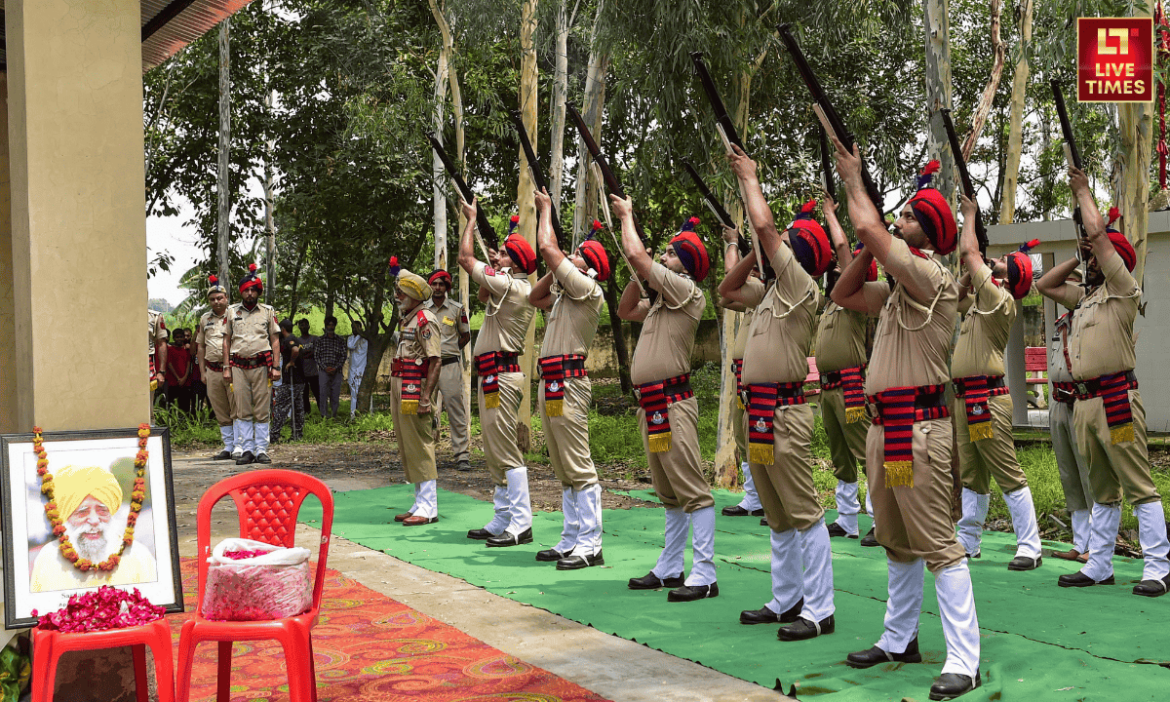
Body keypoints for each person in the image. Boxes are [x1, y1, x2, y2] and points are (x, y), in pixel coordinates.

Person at [831, 148, 980, 700]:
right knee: (895, 541)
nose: (899, 221)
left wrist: (854, 183)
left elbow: (868, 226)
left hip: (920, 430)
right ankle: (899, 639)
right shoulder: (898, 292)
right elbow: (842, 294)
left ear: (931, 232)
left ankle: (965, 659)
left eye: (911, 217)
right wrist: (871, 253)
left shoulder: (931, 279)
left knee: (939, 544)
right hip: (883, 428)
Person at [1035, 169, 1170, 596]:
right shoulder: (1087, 297)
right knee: (1102, 488)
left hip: (1115, 399)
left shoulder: (1124, 290)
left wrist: (1082, 192)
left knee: (1136, 482)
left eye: (1096, 257)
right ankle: (1100, 565)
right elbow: (1044, 283)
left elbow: (1101, 238)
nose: (1093, 262)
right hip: (1083, 402)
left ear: (1113, 261)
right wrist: (1078, 255)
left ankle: (1158, 567)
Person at [723, 149, 836, 640]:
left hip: (787, 412)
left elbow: (768, 230)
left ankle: (820, 609)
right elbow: (727, 291)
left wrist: (751, 177)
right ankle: (786, 598)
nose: (776, 248)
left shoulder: (801, 286)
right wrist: (754, 251)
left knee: (805, 511)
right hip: (761, 412)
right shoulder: (772, 291)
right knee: (776, 514)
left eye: (787, 245)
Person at [615, 200, 717, 603]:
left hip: (673, 404)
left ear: (688, 263)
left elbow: (638, 255)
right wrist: (640, 277)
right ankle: (671, 565)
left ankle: (705, 572)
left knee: (693, 490)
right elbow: (625, 310)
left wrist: (627, 217)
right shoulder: (661, 299)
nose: (664, 255)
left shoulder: (686, 291)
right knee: (668, 491)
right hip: (652, 404)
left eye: (672, 252)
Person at [951, 195, 1043, 570]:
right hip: (965, 396)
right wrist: (967, 271)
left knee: (1006, 471)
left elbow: (970, 252)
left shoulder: (1000, 300)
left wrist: (970, 215)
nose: (994, 261)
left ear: (1009, 277)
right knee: (972, 474)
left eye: (1002, 263)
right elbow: (956, 295)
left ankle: (1030, 546)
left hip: (986, 398)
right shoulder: (981, 300)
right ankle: (968, 541)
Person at [528, 192, 609, 570]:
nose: (568, 257)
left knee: (578, 464)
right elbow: (534, 296)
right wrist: (558, 266)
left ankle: (591, 544)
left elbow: (546, 246)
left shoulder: (588, 290)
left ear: (589, 268)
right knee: (563, 466)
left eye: (577, 254)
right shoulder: (565, 295)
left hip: (570, 384)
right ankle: (571, 537)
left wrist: (546, 210)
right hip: (552, 382)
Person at [458, 201, 537, 548]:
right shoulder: (504, 284)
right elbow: (482, 292)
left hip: (502, 375)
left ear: (515, 263)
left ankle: (521, 522)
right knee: (493, 447)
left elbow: (464, 260)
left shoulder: (515, 287)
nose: (498, 257)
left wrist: (472, 222)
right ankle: (503, 516)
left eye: (504, 254)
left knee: (504, 448)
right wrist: (494, 264)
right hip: (492, 374)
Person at [816, 195, 876, 542]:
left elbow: (842, 252)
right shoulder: (831, 306)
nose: (837, 272)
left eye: (844, 270)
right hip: (828, 390)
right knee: (840, 457)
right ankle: (847, 520)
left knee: (866, 455)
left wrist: (830, 216)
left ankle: (881, 521)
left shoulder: (858, 300)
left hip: (852, 386)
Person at [30, 465, 157, 593]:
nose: (94, 521)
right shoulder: (48, 559)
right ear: (66, 517)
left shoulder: (139, 556)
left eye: (102, 510)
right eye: (82, 512)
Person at [716, 226, 767, 520]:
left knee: (760, 439)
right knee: (742, 437)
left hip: (759, 381)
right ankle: (754, 498)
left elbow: (731, 277)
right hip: (743, 379)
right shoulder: (751, 301)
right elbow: (726, 293)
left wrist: (734, 244)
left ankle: (767, 496)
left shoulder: (764, 295)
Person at [388, 259, 443, 526]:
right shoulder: (407, 319)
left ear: (413, 295)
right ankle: (419, 501)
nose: (398, 297)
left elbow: (435, 360)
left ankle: (429, 506)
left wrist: (425, 398)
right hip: (402, 383)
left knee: (421, 445)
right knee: (408, 444)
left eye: (401, 292)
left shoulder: (424, 319)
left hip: (415, 387)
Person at [1046, 270, 1094, 563]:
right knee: (1069, 475)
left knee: (1089, 474)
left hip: (1082, 401)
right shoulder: (1060, 323)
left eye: (1072, 285)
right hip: (1058, 404)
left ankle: (1097, 546)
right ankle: (1080, 542)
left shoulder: (1092, 321)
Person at [223, 264, 280, 465]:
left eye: (253, 290)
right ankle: (247, 449)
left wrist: (276, 366)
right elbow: (226, 341)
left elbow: (274, 340)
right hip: (238, 366)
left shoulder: (267, 312)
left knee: (262, 409)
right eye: (246, 289)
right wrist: (226, 367)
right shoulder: (231, 312)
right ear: (241, 291)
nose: (249, 293)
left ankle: (261, 449)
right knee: (242, 409)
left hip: (262, 366)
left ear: (258, 292)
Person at [424, 269, 472, 471]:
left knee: (456, 410)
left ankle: (462, 455)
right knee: (424, 411)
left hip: (449, 365)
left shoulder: (456, 309)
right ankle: (425, 455)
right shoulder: (422, 310)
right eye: (434, 284)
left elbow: (465, 335)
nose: (437, 288)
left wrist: (450, 350)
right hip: (426, 368)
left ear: (447, 287)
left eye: (441, 284)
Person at [197, 275, 237, 459]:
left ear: (226, 298)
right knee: (220, 408)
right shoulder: (205, 319)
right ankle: (228, 446)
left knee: (237, 407)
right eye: (212, 299)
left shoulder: (236, 315)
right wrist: (202, 372)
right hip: (212, 370)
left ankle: (239, 446)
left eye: (220, 298)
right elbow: (200, 346)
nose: (216, 301)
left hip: (234, 369)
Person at [271, 319, 305, 442]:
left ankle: (274, 435)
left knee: (281, 406)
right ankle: (297, 435)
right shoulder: (294, 338)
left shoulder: (289, 339)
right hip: (298, 381)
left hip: (292, 380)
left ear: (283, 329)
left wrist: (291, 362)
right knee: (297, 408)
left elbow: (295, 350)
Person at [315, 316, 347, 419]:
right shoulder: (320, 340)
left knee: (335, 394)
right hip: (323, 372)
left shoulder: (340, 340)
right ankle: (324, 415)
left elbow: (343, 355)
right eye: (329, 324)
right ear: (326, 325)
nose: (331, 326)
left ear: (335, 326)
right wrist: (325, 368)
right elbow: (316, 356)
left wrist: (335, 368)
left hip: (336, 372)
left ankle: (334, 415)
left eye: (332, 324)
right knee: (323, 394)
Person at [296, 318, 321, 417]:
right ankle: (307, 414)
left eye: (305, 324)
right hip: (302, 373)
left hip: (314, 372)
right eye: (301, 325)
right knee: (304, 395)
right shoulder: (297, 341)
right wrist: (308, 352)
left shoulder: (315, 339)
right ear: (299, 327)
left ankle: (323, 413)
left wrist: (306, 353)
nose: (303, 327)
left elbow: (317, 352)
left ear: (308, 326)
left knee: (318, 394)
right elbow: (298, 355)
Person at [164, 328, 194, 413]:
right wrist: (178, 378)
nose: (179, 339)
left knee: (184, 406)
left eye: (181, 337)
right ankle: (172, 424)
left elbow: (188, 364)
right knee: (171, 405)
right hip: (173, 382)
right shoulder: (170, 349)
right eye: (177, 337)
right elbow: (169, 364)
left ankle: (184, 424)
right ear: (173, 338)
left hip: (185, 382)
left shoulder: (186, 349)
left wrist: (184, 378)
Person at [347, 320, 370, 418]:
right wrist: (359, 334)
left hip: (362, 369)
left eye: (356, 327)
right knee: (353, 394)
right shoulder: (350, 339)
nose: (354, 329)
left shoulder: (365, 340)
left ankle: (365, 414)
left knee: (362, 393)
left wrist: (361, 334)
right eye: (353, 327)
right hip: (352, 370)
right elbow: (351, 346)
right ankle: (352, 415)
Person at [148, 309, 168, 412]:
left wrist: (161, 371)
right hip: (122, 362)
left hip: (146, 363)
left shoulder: (154, 316)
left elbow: (161, 343)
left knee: (147, 404)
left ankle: (148, 426)